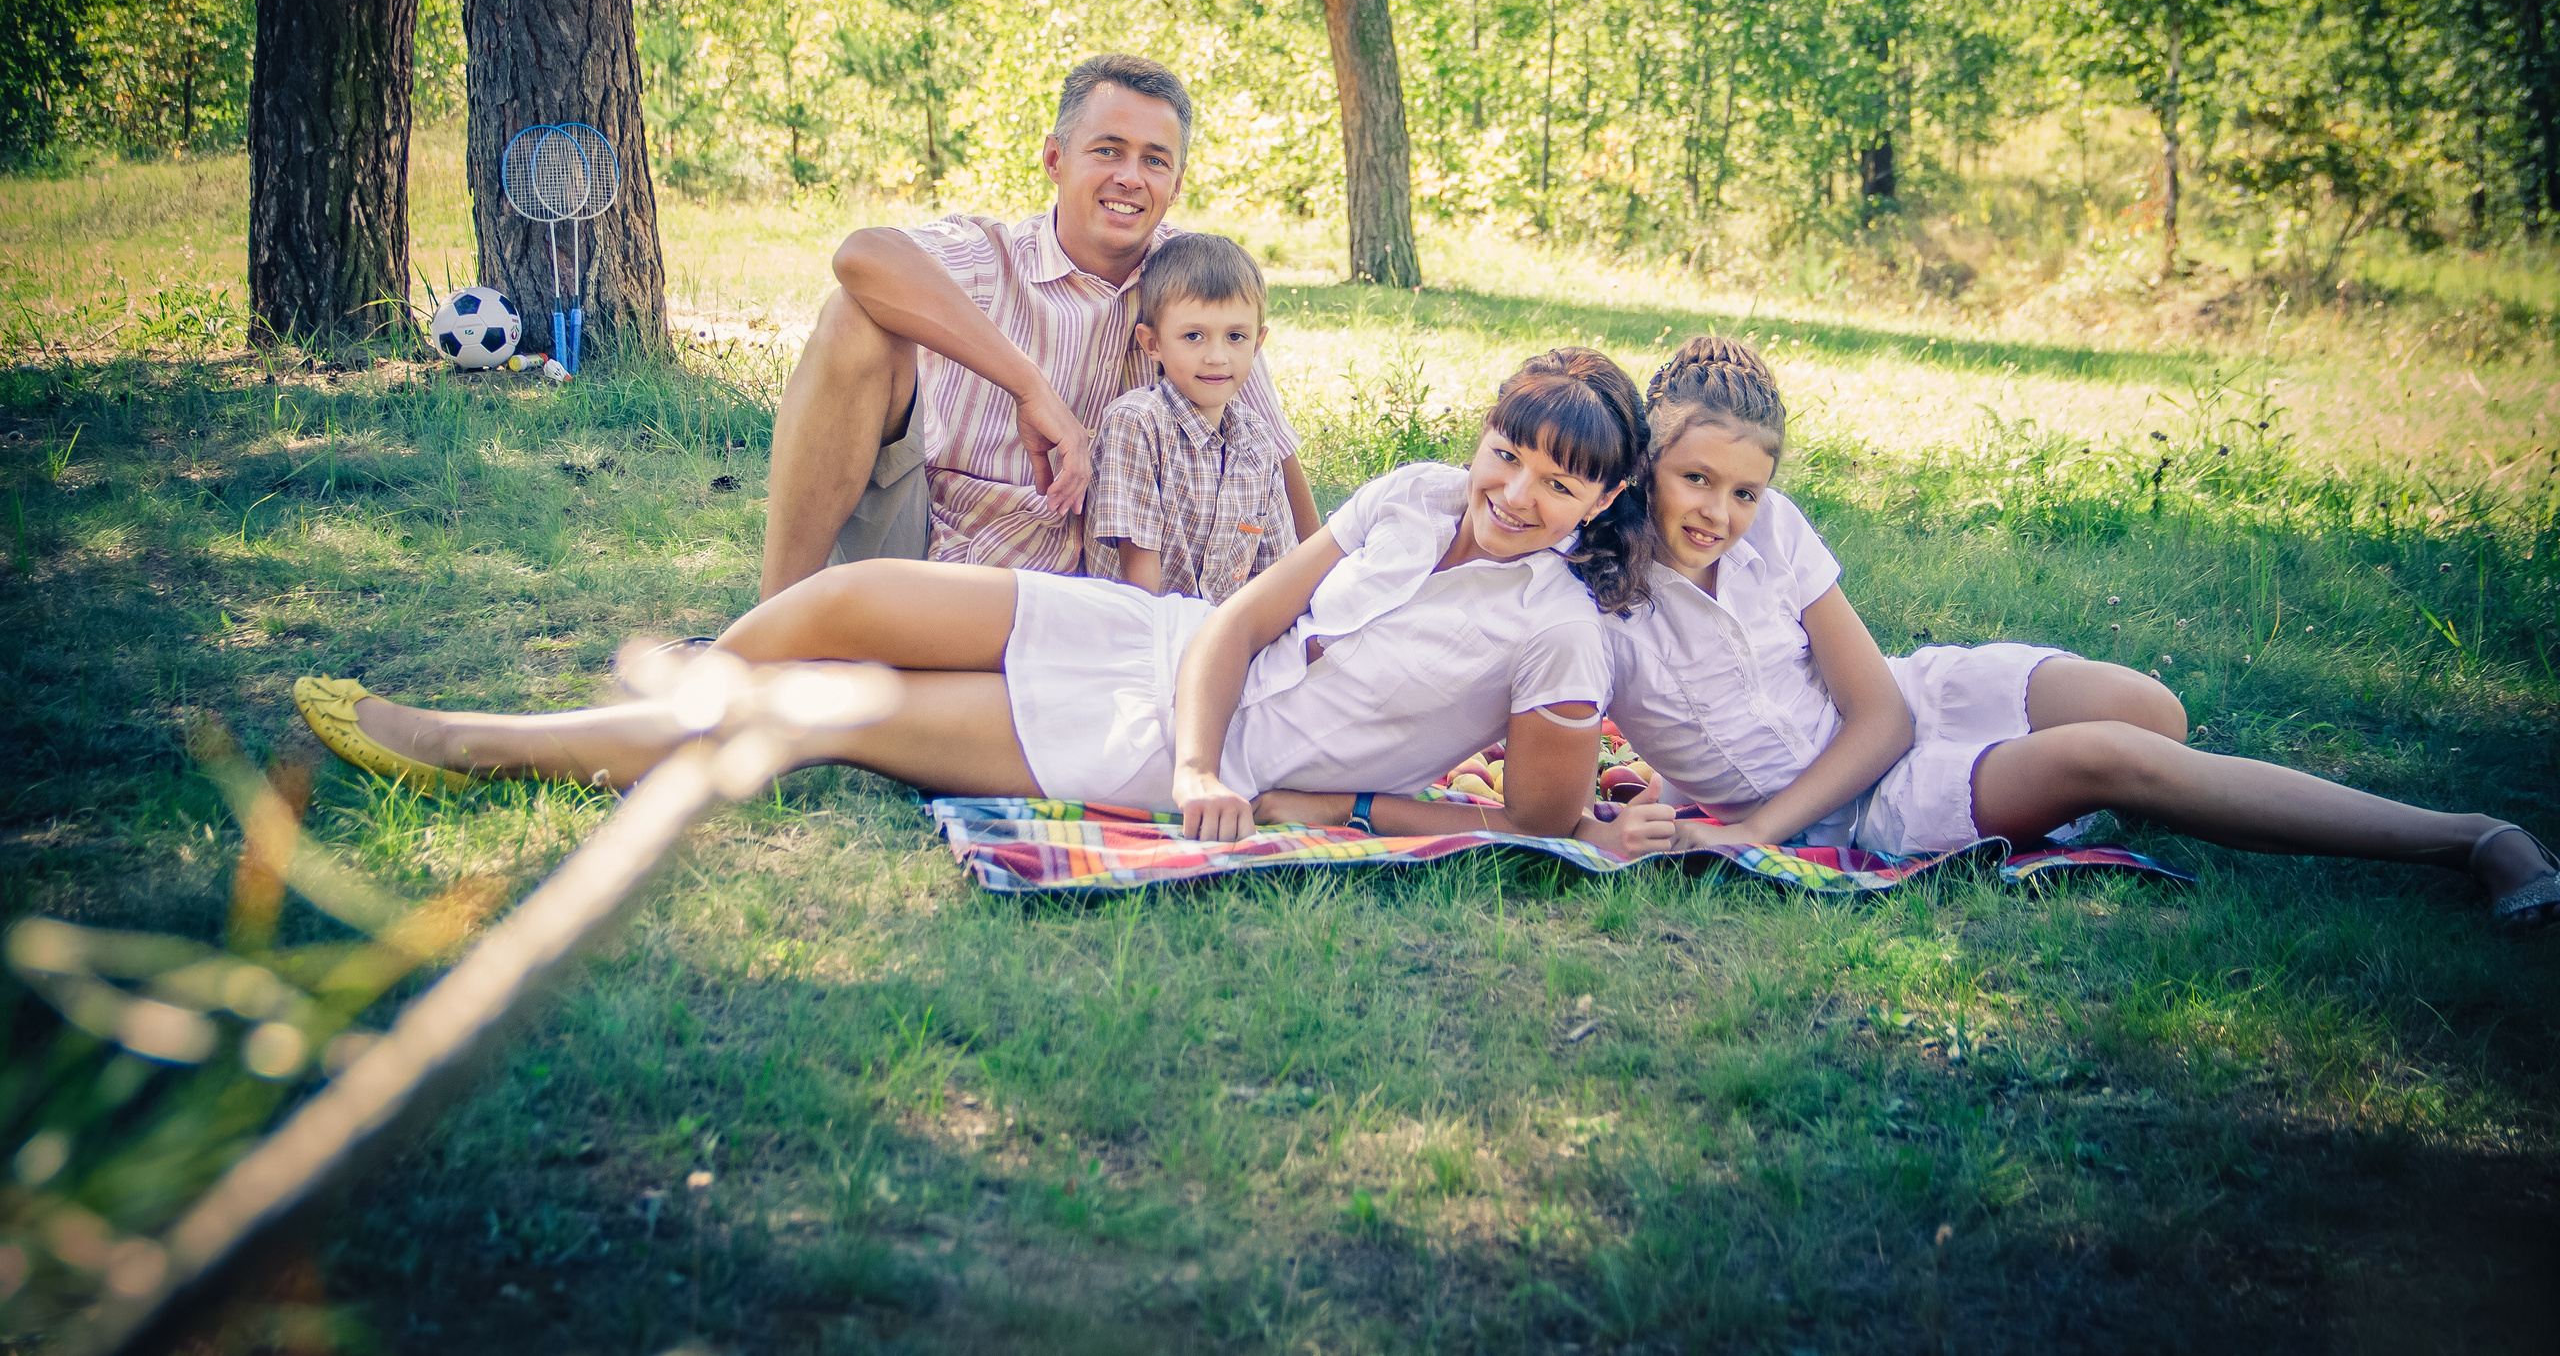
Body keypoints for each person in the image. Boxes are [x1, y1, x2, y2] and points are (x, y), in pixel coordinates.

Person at [293, 351, 1673, 855]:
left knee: (832, 711)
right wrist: (1203, 739)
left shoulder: (1558, 633)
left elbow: (1535, 823)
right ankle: (652, 707)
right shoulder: (1417, 491)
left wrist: (1218, 774)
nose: (1519, 489)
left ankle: (482, 743)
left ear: (1599, 504)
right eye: (1513, 452)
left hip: (1154, 751)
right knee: (854, 591)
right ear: (1485, 438)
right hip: (1161, 651)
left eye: (1561, 482)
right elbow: (1241, 621)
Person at [1598, 335, 2560, 926]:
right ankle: (2469, 838)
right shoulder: (1599, 593)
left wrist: (1744, 829)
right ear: (1648, 458)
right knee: (2113, 755)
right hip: (1865, 806)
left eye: (1745, 489)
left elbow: (1883, 707)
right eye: (1695, 479)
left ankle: (2064, 788)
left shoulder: (1776, 528)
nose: (1719, 511)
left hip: (1901, 706)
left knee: (2151, 711)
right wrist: (1759, 825)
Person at [756, 52, 1318, 599]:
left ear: (1177, 182)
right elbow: (860, 254)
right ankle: (772, 628)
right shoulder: (992, 257)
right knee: (851, 316)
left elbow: (1268, 445)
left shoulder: (1188, 287)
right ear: (1055, 159)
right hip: (935, 543)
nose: (1130, 177)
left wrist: (1319, 601)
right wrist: (1031, 388)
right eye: (1107, 150)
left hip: (1096, 587)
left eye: (1154, 160)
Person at [1086, 233, 1296, 601]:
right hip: (1140, 632)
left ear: (1257, 344)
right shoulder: (1137, 425)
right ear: (1153, 344)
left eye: (1235, 336)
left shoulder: (1258, 442)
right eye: (1194, 335)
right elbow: (1138, 591)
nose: (1217, 356)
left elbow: (1277, 577)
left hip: (1228, 634)